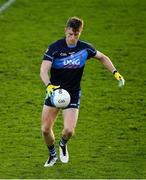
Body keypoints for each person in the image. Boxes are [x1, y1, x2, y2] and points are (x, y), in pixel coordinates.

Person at [40, 16, 125, 167]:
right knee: (45, 129)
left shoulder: (85, 48)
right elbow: (43, 69)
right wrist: (48, 85)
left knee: (69, 130)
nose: (72, 38)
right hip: (55, 92)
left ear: (80, 33)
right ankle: (52, 155)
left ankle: (63, 144)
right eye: (70, 34)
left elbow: (102, 57)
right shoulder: (55, 48)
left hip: (72, 93)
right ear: (65, 30)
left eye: (76, 35)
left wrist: (115, 72)